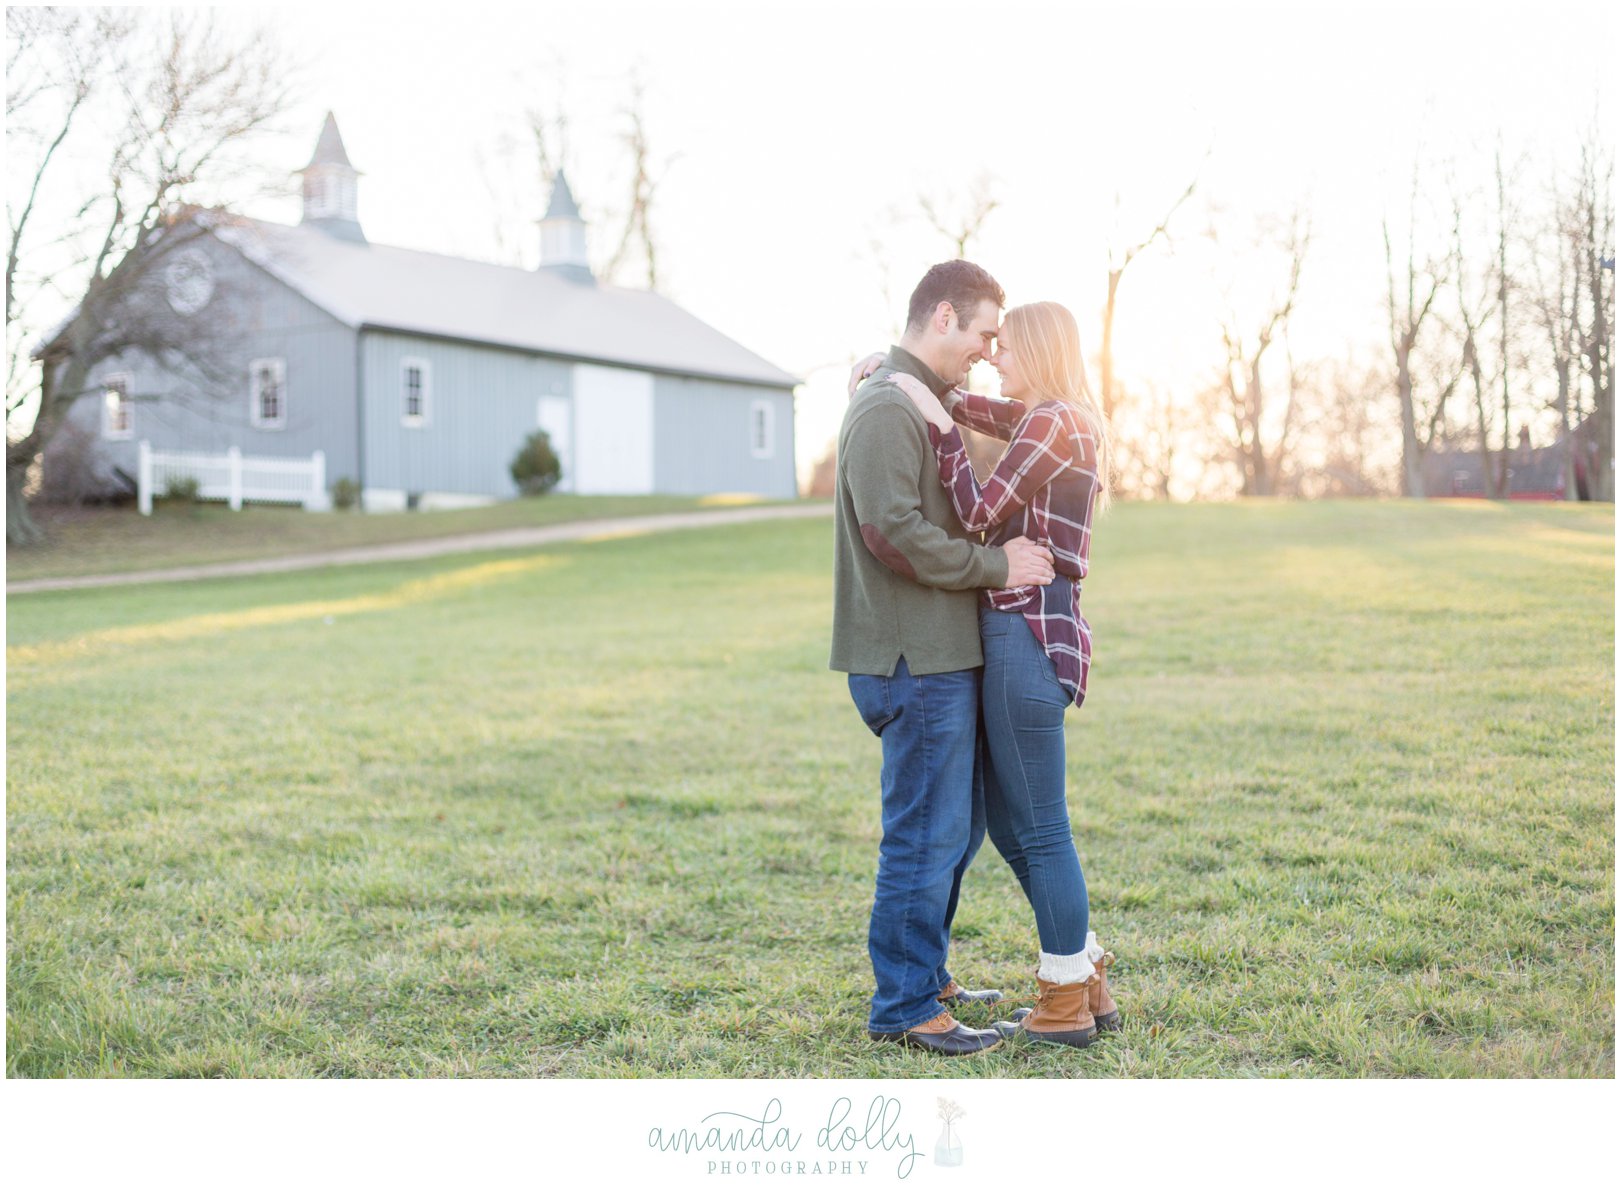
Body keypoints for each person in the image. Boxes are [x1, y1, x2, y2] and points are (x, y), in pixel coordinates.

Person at [849, 300, 1119, 1048]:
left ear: (1034, 350)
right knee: (1012, 822)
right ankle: (1084, 969)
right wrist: (904, 379)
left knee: (1039, 829)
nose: (995, 357)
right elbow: (985, 409)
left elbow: (972, 513)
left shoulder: (1052, 421)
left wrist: (937, 429)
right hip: (1035, 632)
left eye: (1005, 347)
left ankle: (1065, 997)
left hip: (1024, 630)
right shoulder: (1059, 418)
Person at [830, 260, 1056, 1057]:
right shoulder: (887, 407)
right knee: (924, 834)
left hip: (938, 654)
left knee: (951, 832)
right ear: (943, 319)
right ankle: (903, 1004)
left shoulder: (915, 399)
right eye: (984, 333)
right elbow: (891, 531)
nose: (989, 349)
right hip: (910, 657)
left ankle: (925, 975)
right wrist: (998, 565)